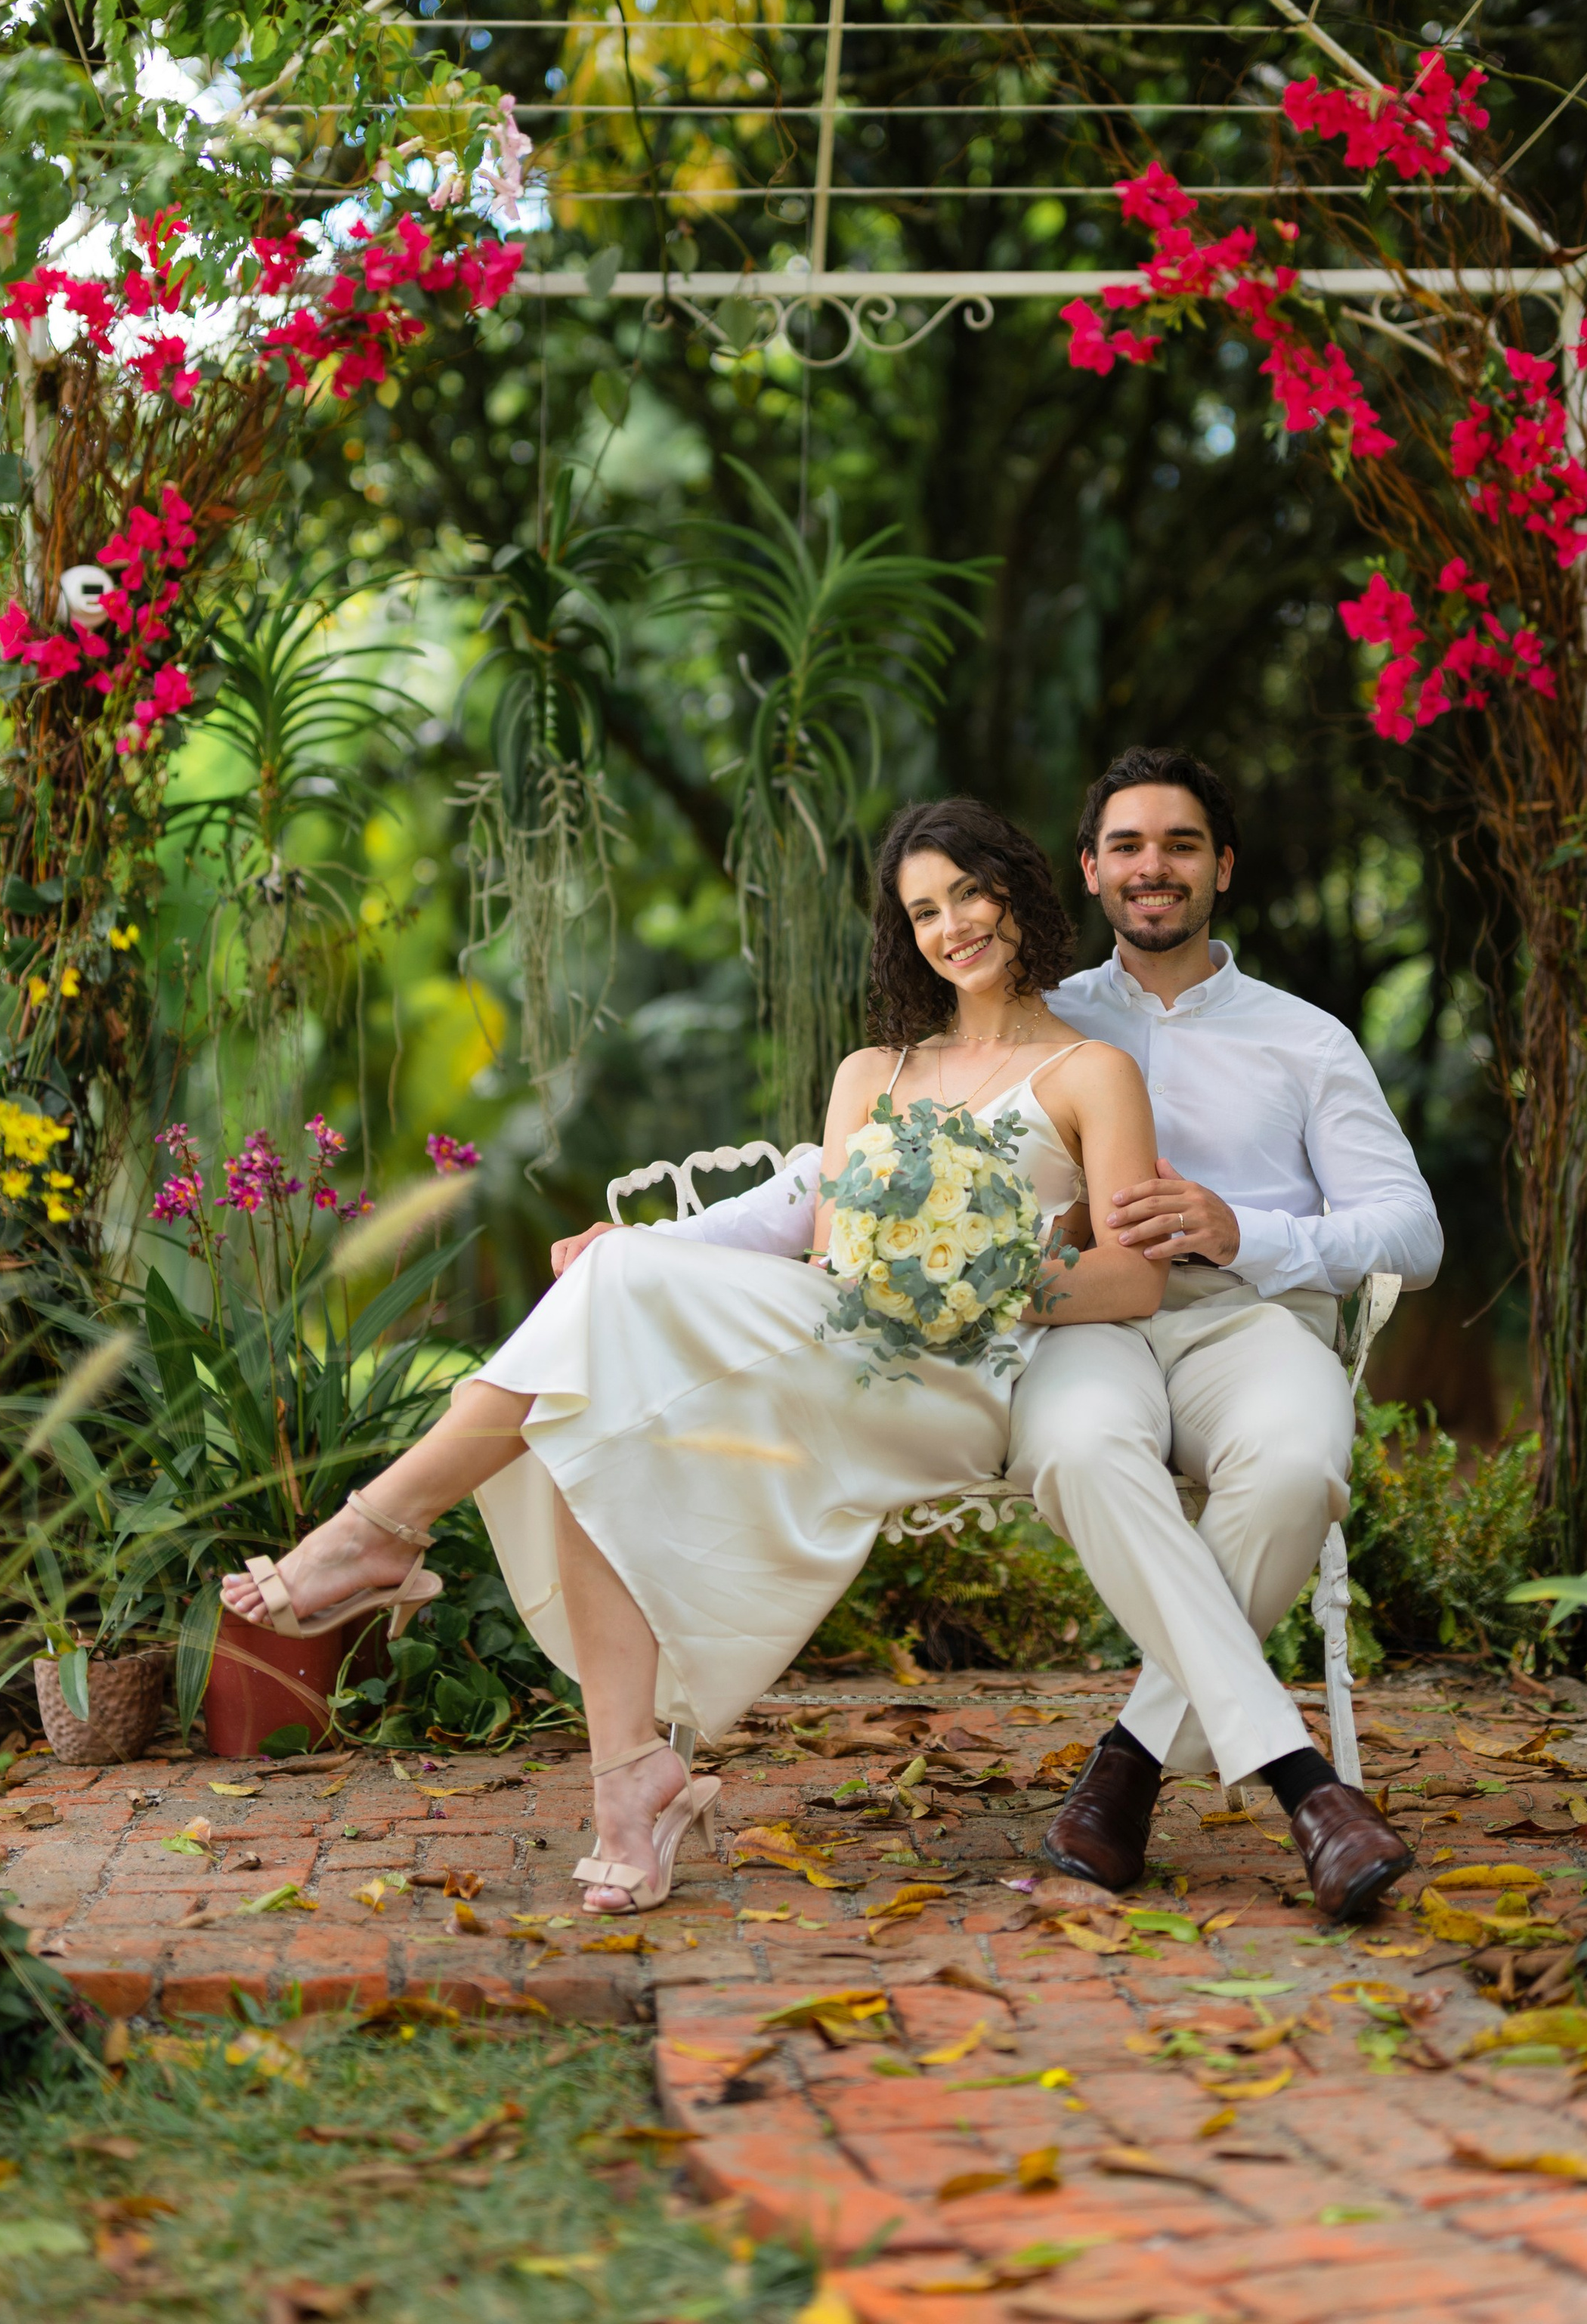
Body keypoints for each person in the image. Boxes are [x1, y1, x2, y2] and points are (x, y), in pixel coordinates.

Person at [220, 799, 1189, 1915]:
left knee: (606, 1307)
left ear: (1018, 888)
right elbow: (823, 1243)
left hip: (959, 1377)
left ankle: (379, 1529)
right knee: (593, 1392)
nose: (952, 925)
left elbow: (1134, 1275)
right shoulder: (873, 1071)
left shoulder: (1090, 1073)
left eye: (970, 893)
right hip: (834, 1338)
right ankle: (629, 1788)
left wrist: (985, 1281)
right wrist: (673, 1248)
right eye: (923, 910)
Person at [614, 749, 1440, 1912]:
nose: (1155, 867)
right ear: (1091, 872)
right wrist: (659, 1245)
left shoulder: (1304, 1038)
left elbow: (1413, 1232)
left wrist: (1241, 1229)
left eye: (1183, 844)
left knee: (1298, 1467)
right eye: (1130, 846)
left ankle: (1130, 1769)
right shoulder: (1033, 1010)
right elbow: (835, 1180)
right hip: (1078, 1320)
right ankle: (1303, 1785)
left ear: (1224, 869)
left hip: (1242, 1319)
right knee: (1079, 1450)